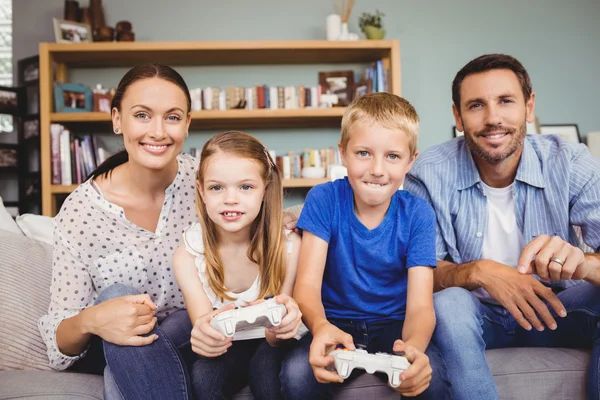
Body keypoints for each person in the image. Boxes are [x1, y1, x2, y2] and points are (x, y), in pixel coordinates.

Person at [404, 53, 600, 400]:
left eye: (506, 101)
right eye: (477, 105)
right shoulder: (429, 172)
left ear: (529, 106)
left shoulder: (570, 162)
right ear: (458, 116)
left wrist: (583, 264)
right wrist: (480, 272)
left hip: (557, 308)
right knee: (449, 302)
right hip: (476, 318)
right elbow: (422, 272)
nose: (493, 118)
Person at [38, 63, 197, 400]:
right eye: (142, 115)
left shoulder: (207, 182)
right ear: (116, 120)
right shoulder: (81, 212)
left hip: (198, 339)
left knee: (125, 371)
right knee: (115, 297)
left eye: (172, 117)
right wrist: (92, 319)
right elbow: (59, 343)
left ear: (187, 124)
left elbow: (259, 207)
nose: (158, 131)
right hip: (119, 346)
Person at [281, 92, 451, 399]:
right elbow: (306, 285)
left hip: (395, 326)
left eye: (392, 156)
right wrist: (320, 327)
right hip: (335, 323)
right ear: (343, 153)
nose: (377, 168)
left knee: (432, 380)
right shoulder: (324, 199)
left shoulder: (418, 214)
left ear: (411, 161)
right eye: (363, 153)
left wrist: (412, 348)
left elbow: (421, 306)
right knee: (295, 376)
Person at [173, 130, 304, 399]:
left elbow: (279, 332)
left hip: (271, 341)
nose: (230, 199)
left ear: (265, 190)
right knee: (204, 377)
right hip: (227, 343)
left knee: (265, 372)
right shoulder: (188, 254)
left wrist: (280, 327)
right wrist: (205, 338)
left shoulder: (288, 245)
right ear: (202, 190)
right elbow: (205, 327)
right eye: (216, 187)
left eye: (245, 187)